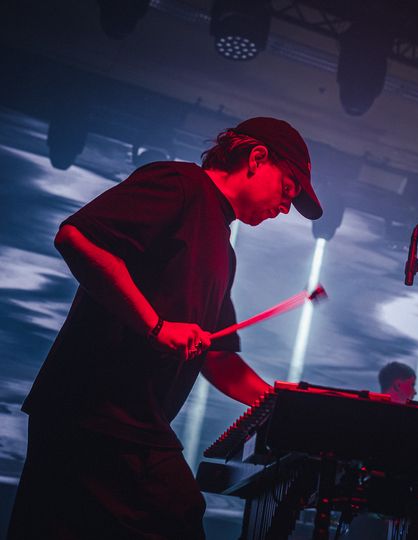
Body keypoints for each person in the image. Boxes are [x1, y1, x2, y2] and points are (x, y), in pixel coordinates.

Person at [8, 117, 323, 540]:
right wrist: (155, 327)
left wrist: (281, 405)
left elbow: (218, 359)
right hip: (97, 413)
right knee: (177, 517)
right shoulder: (179, 185)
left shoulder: (223, 251)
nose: (285, 207)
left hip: (118, 422)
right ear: (256, 158)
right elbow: (77, 237)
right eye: (287, 189)